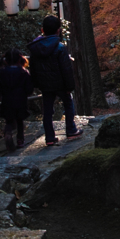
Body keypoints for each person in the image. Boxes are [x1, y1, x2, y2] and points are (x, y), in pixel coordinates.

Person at [28, 15, 83, 146]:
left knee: (47, 110)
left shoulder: (35, 48)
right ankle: (70, 129)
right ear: (58, 30)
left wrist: (36, 83)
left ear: (42, 30)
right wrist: (70, 85)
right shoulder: (59, 47)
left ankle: (50, 137)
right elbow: (66, 68)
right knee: (68, 104)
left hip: (45, 84)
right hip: (61, 83)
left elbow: (33, 68)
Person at [0, 48, 34, 152]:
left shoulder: (2, 72)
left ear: (6, 60)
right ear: (20, 60)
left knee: (9, 121)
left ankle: (8, 134)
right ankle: (20, 140)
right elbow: (29, 88)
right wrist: (27, 93)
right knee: (19, 121)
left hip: (7, 100)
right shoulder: (24, 72)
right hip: (20, 100)